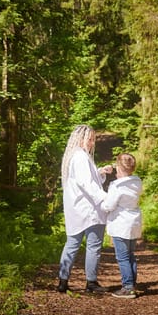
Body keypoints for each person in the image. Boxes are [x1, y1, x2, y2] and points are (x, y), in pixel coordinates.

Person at [57, 125, 113, 293]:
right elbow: (87, 183)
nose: (91, 143)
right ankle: (91, 282)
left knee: (72, 244)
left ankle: (63, 281)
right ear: (79, 139)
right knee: (93, 245)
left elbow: (88, 179)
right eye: (89, 139)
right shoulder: (81, 157)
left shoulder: (77, 157)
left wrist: (101, 171)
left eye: (93, 139)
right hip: (89, 209)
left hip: (78, 209)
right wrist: (106, 198)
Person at [101, 153, 143, 299]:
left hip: (121, 224)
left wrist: (102, 202)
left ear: (119, 167)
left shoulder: (117, 186)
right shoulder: (137, 183)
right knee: (130, 255)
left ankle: (128, 287)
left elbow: (108, 205)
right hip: (133, 222)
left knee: (122, 258)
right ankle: (132, 284)